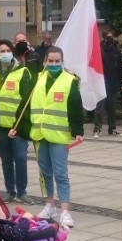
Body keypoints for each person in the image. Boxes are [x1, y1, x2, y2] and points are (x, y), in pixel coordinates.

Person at [30, 46, 84, 227]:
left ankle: (65, 211)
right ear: (44, 62)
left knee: (60, 174)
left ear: (62, 62)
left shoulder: (70, 81)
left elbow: (76, 108)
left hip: (59, 135)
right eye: (50, 61)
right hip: (39, 134)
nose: (53, 64)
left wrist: (78, 132)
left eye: (57, 61)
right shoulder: (37, 80)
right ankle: (49, 205)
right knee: (45, 173)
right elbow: (27, 105)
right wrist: (18, 127)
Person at [0, 39, 35, 203]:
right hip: (0, 126)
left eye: (7, 50)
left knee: (21, 158)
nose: (5, 54)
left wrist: (20, 125)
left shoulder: (23, 72)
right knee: (6, 160)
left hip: (17, 126)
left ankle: (22, 191)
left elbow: (27, 102)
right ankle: (10, 191)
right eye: (1, 51)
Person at [94, 30, 122, 137]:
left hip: (113, 81)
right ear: (104, 37)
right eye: (109, 37)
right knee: (100, 106)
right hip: (102, 81)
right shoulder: (99, 49)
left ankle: (112, 128)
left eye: (112, 37)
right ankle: (97, 129)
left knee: (111, 106)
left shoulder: (115, 49)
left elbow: (119, 65)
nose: (111, 38)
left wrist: (119, 79)